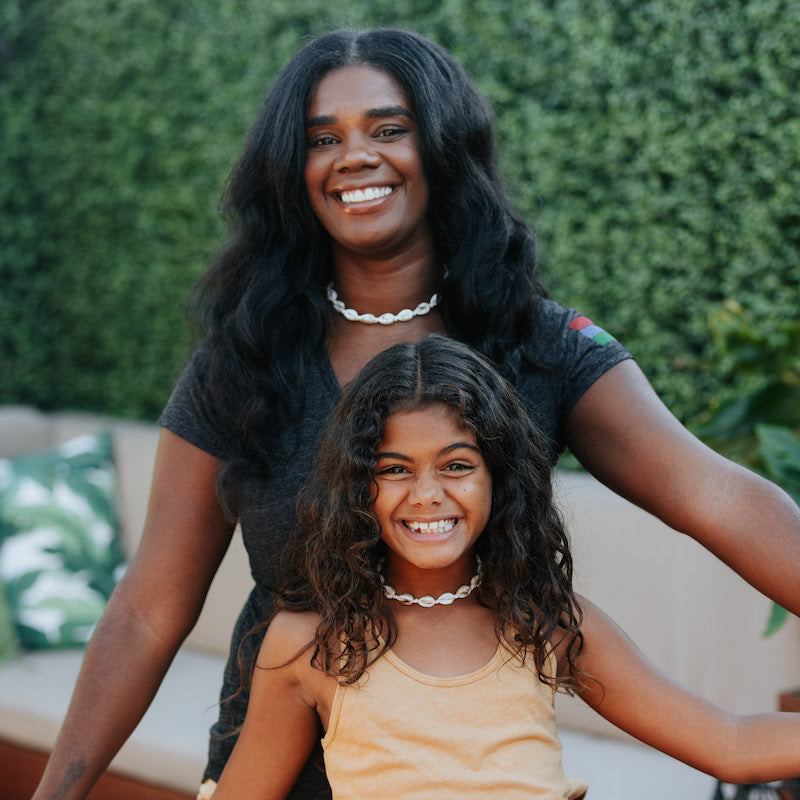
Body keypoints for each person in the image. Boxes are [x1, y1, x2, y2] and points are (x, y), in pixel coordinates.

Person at [33, 27, 800, 800]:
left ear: (441, 148)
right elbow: (147, 610)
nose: (354, 156)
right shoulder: (245, 361)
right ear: (291, 170)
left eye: (388, 129)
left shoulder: (540, 345)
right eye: (322, 139)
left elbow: (718, 497)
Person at [211, 335, 800, 800]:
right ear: (357, 486)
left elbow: (732, 744)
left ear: (498, 476)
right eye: (393, 469)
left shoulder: (543, 620)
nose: (427, 494)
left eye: (456, 465)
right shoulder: (309, 642)